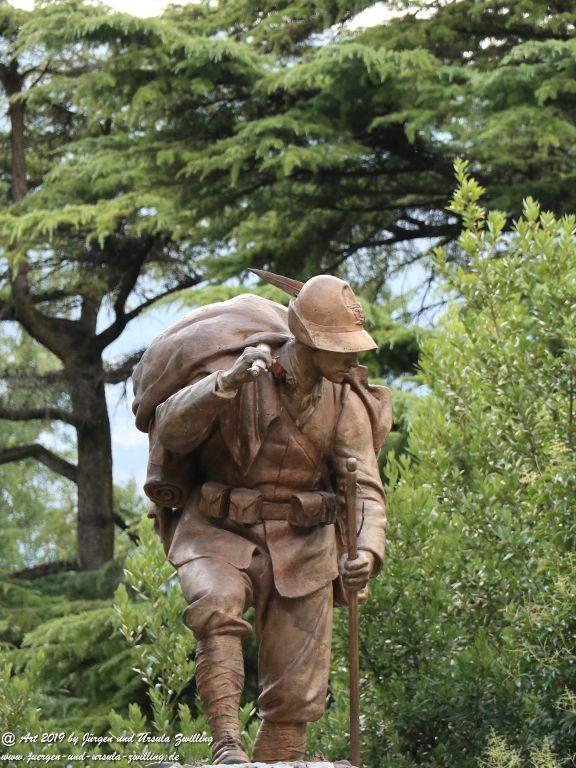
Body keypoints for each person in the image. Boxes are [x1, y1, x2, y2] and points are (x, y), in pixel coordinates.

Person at [132, 271, 391, 764]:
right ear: (310, 341)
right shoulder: (243, 376)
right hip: (218, 527)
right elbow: (172, 431)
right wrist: (222, 386)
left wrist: (368, 548)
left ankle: (283, 754)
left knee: (298, 682)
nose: (354, 360)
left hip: (303, 539)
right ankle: (226, 744)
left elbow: (365, 491)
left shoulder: (345, 402)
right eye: (343, 349)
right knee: (216, 604)